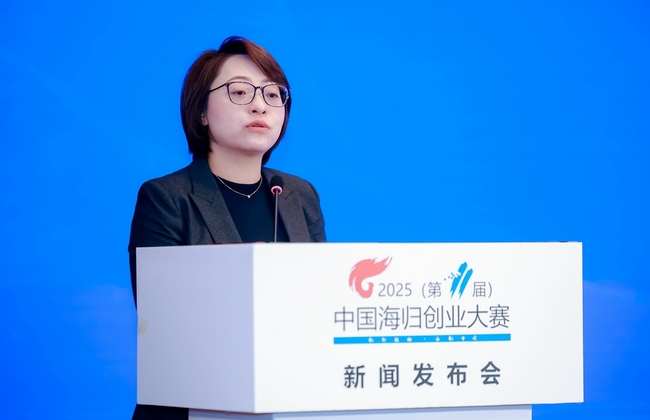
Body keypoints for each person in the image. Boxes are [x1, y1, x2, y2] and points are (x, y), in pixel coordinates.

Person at [128, 36, 327, 419]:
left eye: (273, 94)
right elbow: (166, 323)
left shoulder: (298, 195)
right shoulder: (166, 197)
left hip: (286, 401)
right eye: (239, 91)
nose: (259, 105)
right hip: (193, 407)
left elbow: (324, 303)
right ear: (201, 112)